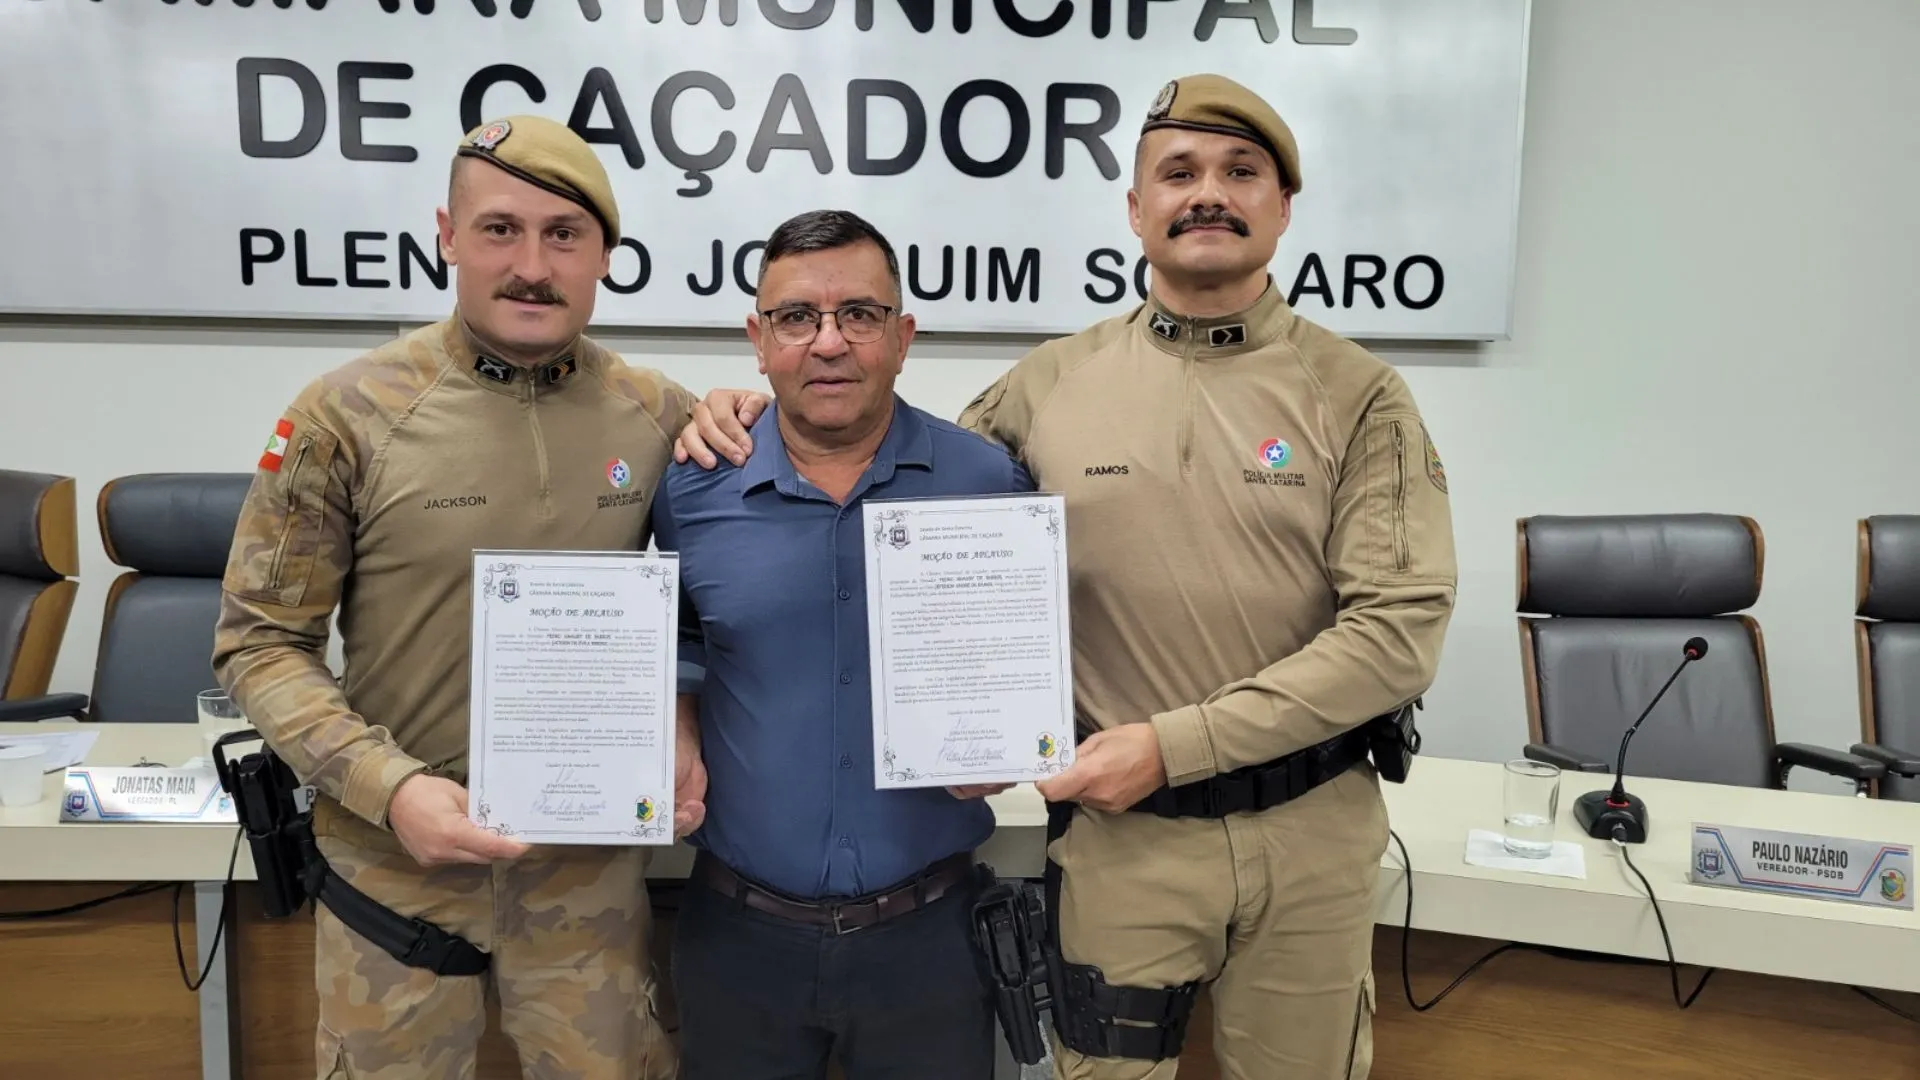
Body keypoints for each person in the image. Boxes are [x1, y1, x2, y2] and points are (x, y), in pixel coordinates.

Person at [672, 74, 1458, 1079]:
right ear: (1135, 211)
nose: (1206, 193)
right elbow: (899, 507)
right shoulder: (1042, 389)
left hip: (1311, 834)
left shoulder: (1361, 397)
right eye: (1177, 172)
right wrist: (751, 415)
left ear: (1284, 207)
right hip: (1124, 844)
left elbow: (1396, 635)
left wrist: (1175, 746)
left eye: (1240, 171)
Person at [212, 113, 707, 1080]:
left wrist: (683, 710)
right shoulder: (344, 416)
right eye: (499, 229)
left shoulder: (661, 415)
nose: (532, 264)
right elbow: (257, 643)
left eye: (564, 234)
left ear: (605, 252)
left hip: (586, 879)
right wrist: (386, 789)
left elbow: (708, 598)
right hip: (395, 877)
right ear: (446, 234)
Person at [650, 208, 1034, 1079]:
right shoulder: (692, 484)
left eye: (859, 314)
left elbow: (1025, 650)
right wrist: (675, 722)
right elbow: (674, 633)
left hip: (931, 942)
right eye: (797, 317)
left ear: (903, 337)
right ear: (758, 338)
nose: (829, 343)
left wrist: (1013, 735)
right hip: (737, 945)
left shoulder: (985, 482)